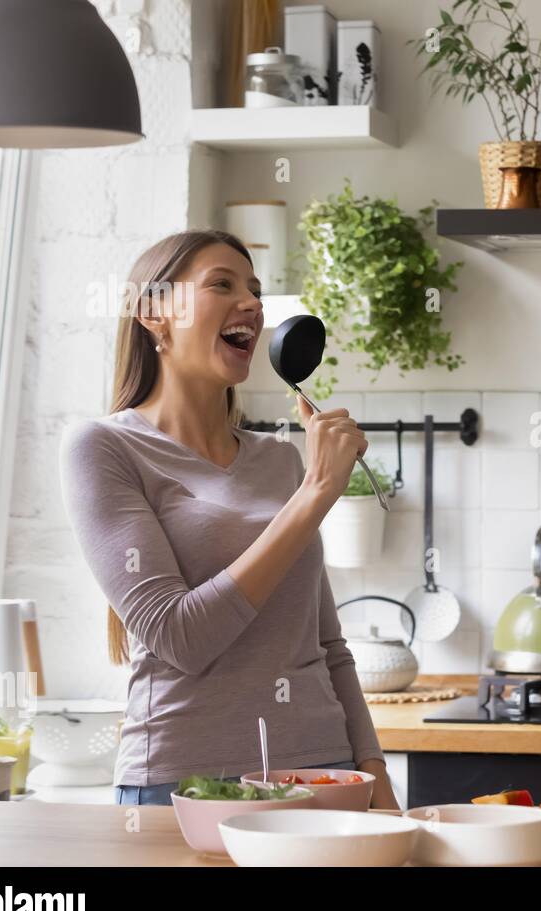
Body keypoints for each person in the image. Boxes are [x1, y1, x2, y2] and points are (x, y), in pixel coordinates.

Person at [59, 229, 398, 807]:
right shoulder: (103, 447)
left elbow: (328, 644)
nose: (253, 305)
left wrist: (376, 780)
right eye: (222, 284)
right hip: (183, 784)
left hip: (324, 777)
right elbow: (180, 636)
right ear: (153, 313)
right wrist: (315, 494)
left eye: (256, 291)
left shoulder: (280, 459)